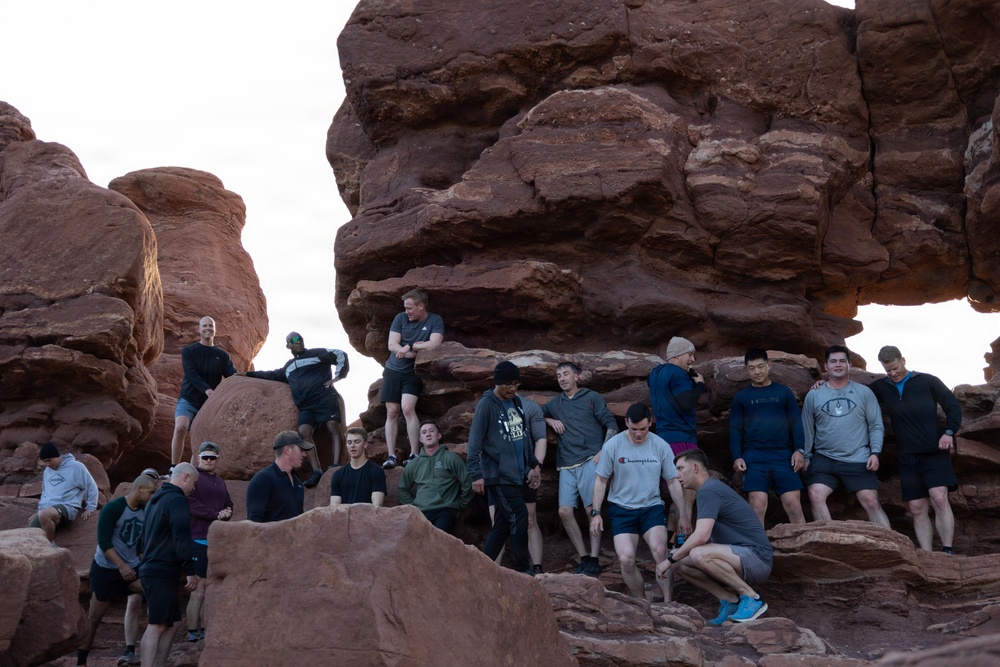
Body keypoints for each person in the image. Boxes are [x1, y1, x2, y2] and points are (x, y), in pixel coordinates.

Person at [656, 449, 774, 624]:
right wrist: (675, 560)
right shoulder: (708, 489)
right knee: (680, 563)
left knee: (697, 554)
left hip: (757, 557)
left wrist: (669, 559)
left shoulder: (709, 490)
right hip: (739, 556)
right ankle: (731, 601)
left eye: (681, 468)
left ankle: (752, 598)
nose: (677, 474)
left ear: (695, 468)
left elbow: (701, 536)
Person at [590, 403, 690, 602]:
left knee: (661, 551)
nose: (638, 434)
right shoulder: (613, 446)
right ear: (626, 423)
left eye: (643, 429)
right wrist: (596, 512)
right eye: (633, 429)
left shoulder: (660, 445)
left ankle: (668, 602)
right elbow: (601, 480)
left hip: (651, 507)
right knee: (626, 560)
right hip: (622, 508)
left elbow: (672, 481)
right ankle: (642, 603)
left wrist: (683, 515)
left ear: (650, 423)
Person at [869, 345, 962, 553]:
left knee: (939, 498)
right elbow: (854, 392)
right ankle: (927, 554)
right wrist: (823, 384)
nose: (892, 373)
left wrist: (949, 432)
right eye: (888, 370)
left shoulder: (927, 381)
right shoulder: (882, 387)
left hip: (934, 452)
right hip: (907, 456)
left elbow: (953, 406)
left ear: (903, 360)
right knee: (916, 508)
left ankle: (947, 550)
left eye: (895, 368)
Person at [242, 331, 349, 488]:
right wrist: (247, 374)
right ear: (288, 345)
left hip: (324, 398)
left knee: (332, 426)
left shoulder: (317, 353)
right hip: (306, 406)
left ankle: (335, 466)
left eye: (300, 338)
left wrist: (338, 376)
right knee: (304, 432)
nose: (298, 341)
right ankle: (317, 471)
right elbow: (271, 375)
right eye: (294, 340)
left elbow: (340, 354)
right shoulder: (289, 367)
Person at [802, 345, 890, 528]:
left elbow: (876, 425)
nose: (838, 365)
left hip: (857, 457)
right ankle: (828, 540)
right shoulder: (814, 395)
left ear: (850, 364)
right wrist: (806, 456)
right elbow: (807, 428)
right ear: (826, 366)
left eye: (842, 361)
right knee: (815, 495)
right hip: (825, 458)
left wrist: (875, 452)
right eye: (833, 361)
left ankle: (893, 544)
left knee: (871, 501)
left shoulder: (864, 393)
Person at [466, 361, 542, 574]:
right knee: (519, 515)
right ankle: (522, 568)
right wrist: (476, 474)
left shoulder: (516, 402)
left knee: (501, 524)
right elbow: (474, 441)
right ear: (497, 382)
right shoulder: (486, 404)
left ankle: (479, 569)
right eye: (508, 384)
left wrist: (533, 464)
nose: (512, 388)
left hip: (516, 474)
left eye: (516, 383)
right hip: (496, 475)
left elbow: (523, 436)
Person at [543, 361, 618, 576]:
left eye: (566, 374)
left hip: (589, 460)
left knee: (590, 510)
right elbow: (533, 414)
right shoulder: (555, 404)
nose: (562, 378)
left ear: (577, 377)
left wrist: (604, 450)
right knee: (564, 511)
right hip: (566, 463)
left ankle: (594, 559)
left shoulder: (591, 397)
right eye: (558, 376)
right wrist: (549, 420)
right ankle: (583, 557)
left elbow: (611, 424)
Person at [76, 474, 157, 667]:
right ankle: (81, 662)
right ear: (139, 489)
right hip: (107, 568)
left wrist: (139, 559)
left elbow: (139, 539)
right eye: (151, 492)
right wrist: (121, 566)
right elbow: (104, 542)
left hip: (132, 566)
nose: (152, 497)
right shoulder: (114, 508)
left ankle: (141, 651)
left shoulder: (146, 510)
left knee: (155, 592)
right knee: (94, 618)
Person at [730, 349, 806, 525]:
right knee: (757, 505)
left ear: (769, 365)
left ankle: (803, 548)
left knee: (794, 505)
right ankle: (758, 551)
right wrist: (737, 456)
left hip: (784, 455)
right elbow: (735, 429)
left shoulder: (784, 392)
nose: (757, 372)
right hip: (754, 456)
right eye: (751, 368)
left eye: (760, 366)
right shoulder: (741, 397)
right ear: (746, 370)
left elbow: (796, 423)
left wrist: (799, 450)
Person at [138, 463, 200, 667]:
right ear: (185, 478)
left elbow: (142, 537)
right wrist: (190, 570)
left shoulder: (154, 500)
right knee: (156, 625)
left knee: (172, 624)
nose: (194, 488)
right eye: (193, 483)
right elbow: (181, 536)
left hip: (151, 567)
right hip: (160, 569)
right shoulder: (177, 500)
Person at [648, 336, 706, 537]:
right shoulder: (678, 375)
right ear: (679, 354)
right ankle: (682, 545)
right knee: (688, 493)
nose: (692, 360)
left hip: (663, 438)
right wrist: (698, 385)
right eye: (690, 354)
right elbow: (686, 403)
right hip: (682, 439)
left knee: (676, 494)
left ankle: (671, 544)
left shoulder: (656, 373)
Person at [381, 288, 444, 469]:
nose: (406, 311)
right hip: (393, 370)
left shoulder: (434, 320)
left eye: (409, 308)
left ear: (421, 306)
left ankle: (414, 453)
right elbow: (392, 344)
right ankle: (391, 455)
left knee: (408, 408)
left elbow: (435, 343)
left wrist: (410, 347)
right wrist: (404, 349)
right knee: (392, 411)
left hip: (413, 373)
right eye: (405, 308)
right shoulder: (400, 319)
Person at [171, 316, 237, 467]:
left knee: (199, 438)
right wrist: (207, 389)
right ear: (199, 329)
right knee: (180, 427)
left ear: (215, 330)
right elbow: (191, 374)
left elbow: (232, 376)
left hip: (208, 405)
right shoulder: (189, 351)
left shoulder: (222, 356)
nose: (208, 328)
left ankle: (193, 470)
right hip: (188, 399)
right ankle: (174, 468)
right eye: (205, 326)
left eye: (211, 326)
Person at [185, 442, 234, 643]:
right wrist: (216, 514)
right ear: (198, 457)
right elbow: (191, 504)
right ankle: (191, 631)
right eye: (205, 457)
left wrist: (227, 512)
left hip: (216, 540)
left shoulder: (220, 482)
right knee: (198, 588)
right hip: (197, 537)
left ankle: (205, 629)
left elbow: (228, 504)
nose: (208, 460)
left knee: (211, 587)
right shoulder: (192, 478)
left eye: (212, 457)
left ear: (217, 459)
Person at [399, 420, 474, 533]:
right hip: (421, 512)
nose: (428, 434)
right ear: (420, 439)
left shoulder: (451, 458)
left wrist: (461, 503)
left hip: (444, 511)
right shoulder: (414, 464)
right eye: (424, 432)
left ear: (439, 436)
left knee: (438, 541)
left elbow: (467, 482)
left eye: (431, 431)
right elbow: (402, 488)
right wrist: (412, 506)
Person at [29, 441, 98, 545]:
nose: (47, 464)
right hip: (48, 509)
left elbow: (91, 486)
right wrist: (39, 511)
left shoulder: (76, 467)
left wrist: (91, 507)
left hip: (67, 507)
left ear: (57, 456)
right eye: (44, 462)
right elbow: (45, 492)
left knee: (44, 515)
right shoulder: (47, 471)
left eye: (49, 460)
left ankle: (51, 546)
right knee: (29, 532)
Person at [246, 431, 313, 522]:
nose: (304, 454)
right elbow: (253, 523)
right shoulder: (263, 480)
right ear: (288, 450)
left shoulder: (297, 482)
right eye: (301, 449)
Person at [330, 428, 387, 506]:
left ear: (365, 444)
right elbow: (334, 507)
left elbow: (377, 506)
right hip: (344, 517)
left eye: (357, 442)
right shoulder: (338, 475)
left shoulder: (376, 471)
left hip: (368, 516)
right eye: (349, 442)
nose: (352, 446)